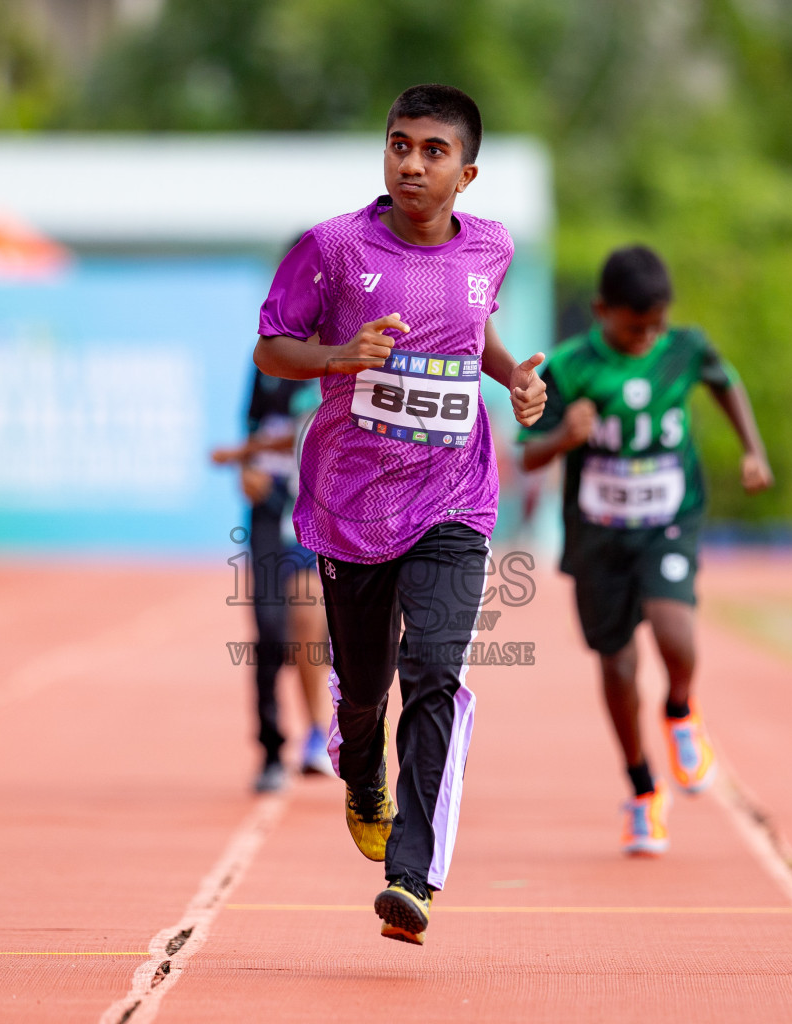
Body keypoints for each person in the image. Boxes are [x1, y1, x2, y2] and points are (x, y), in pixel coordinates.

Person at [253, 83, 547, 945]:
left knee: (437, 671)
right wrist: (341, 355)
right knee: (364, 694)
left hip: (455, 495)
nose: (412, 163)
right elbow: (271, 344)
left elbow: (475, 325)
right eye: (399, 145)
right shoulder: (333, 248)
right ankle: (360, 766)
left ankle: (411, 875)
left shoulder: (492, 247)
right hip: (349, 506)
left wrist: (515, 379)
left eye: (432, 151)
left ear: (468, 172)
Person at [519, 245, 772, 855]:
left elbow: (725, 382)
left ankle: (681, 710)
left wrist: (752, 448)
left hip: (669, 519)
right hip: (598, 532)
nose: (648, 336)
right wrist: (564, 439)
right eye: (635, 327)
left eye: (657, 323)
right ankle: (640, 787)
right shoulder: (572, 366)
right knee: (619, 666)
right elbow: (525, 452)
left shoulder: (684, 348)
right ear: (602, 311)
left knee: (675, 634)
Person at [211, 364, 333, 793]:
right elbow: (252, 422)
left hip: (319, 505)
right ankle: (271, 750)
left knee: (306, 621)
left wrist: (243, 453)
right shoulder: (268, 356)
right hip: (268, 510)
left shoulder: (341, 349)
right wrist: (247, 467)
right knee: (269, 631)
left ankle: (320, 732)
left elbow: (312, 427)